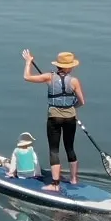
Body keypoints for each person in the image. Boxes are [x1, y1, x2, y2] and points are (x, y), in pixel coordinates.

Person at [21, 49, 85, 192]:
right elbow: (81, 102)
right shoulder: (74, 81)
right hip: (70, 118)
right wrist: (71, 107)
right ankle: (74, 179)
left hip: (54, 118)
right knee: (70, 147)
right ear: (69, 67)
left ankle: (55, 184)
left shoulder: (49, 77)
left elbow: (27, 77)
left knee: (54, 150)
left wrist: (28, 62)